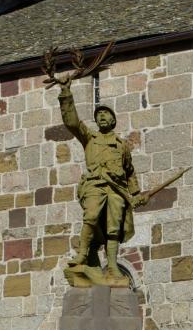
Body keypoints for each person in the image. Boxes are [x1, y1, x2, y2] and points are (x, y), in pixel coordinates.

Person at [56, 81, 144, 277]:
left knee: (114, 228)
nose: (102, 116)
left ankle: (112, 264)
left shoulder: (121, 146)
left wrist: (137, 194)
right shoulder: (90, 138)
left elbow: (129, 172)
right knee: (91, 216)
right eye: (99, 114)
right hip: (95, 184)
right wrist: (66, 93)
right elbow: (72, 122)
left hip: (117, 190)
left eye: (106, 114)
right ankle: (82, 254)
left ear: (113, 121)